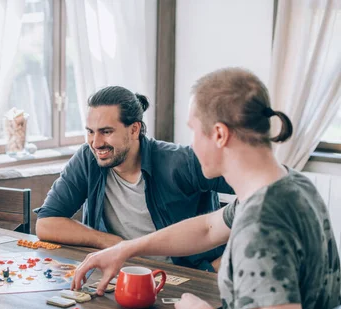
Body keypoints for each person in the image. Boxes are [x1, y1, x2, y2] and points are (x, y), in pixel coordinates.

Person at [73, 68, 340, 309]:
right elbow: (207, 227)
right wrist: (126, 248)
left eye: (194, 132)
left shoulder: (262, 223)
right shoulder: (289, 184)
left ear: (219, 134)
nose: (192, 145)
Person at [35, 86, 233, 272]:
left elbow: (259, 188)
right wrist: (110, 242)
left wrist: (226, 263)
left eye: (106, 131)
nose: (96, 143)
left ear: (134, 129)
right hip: (121, 273)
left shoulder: (181, 161)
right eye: (90, 131)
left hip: (185, 277)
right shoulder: (88, 158)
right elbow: (46, 223)